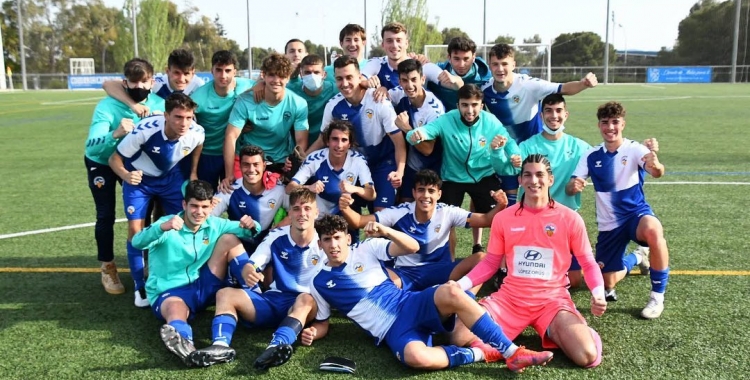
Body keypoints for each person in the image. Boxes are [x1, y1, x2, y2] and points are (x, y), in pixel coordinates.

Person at [274, 214, 553, 373]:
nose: (333, 245)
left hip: (410, 304)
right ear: (320, 245)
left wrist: (385, 230)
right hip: (391, 331)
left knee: (451, 291)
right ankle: (481, 355)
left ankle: (512, 351)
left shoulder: (367, 250)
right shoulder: (320, 282)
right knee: (416, 358)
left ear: (348, 238)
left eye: (338, 238)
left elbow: (412, 247)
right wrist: (313, 332)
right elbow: (323, 320)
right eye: (327, 240)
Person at [451, 154, 607, 368]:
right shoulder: (504, 218)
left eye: (540, 175)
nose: (534, 181)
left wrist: (598, 295)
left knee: (587, 356)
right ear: (520, 180)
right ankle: (508, 350)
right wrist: (460, 286)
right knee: (458, 336)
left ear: (550, 179)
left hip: (552, 302)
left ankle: (579, 329)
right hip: (511, 299)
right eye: (528, 175)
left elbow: (588, 263)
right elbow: (490, 263)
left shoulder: (570, 218)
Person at [186, 188, 327, 369]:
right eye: (297, 209)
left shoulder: (325, 242)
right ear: (290, 212)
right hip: (274, 300)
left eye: (307, 208)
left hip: (302, 308)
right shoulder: (276, 236)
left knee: (305, 298)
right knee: (225, 294)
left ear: (316, 212)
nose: (302, 214)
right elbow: (253, 264)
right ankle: (220, 346)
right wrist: (248, 271)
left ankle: (276, 347)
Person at [131, 180, 261, 366]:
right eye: (194, 206)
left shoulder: (214, 223)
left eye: (204, 207)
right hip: (171, 291)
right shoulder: (167, 224)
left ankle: (255, 295)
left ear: (211, 206)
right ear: (184, 204)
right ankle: (186, 346)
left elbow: (251, 231)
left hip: (203, 284)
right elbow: (137, 242)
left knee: (229, 239)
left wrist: (251, 224)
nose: (199, 212)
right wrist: (161, 228)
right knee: (176, 309)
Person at [567, 101, 670, 319]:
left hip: (635, 216)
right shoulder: (591, 155)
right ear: (599, 125)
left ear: (623, 124)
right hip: (609, 225)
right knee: (608, 281)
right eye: (605, 123)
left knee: (653, 229)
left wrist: (656, 162)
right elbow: (572, 184)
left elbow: (657, 172)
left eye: (615, 122)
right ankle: (638, 256)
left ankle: (657, 297)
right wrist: (574, 185)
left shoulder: (635, 149)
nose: (610, 127)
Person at [339, 169, 507, 292]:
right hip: (406, 273)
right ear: (414, 192)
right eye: (421, 190)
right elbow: (359, 221)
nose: (425, 196)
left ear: (439, 194)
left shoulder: (447, 211)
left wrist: (501, 205)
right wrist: (345, 208)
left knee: (481, 258)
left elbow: (486, 220)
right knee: (376, 282)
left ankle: (467, 298)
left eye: (431, 191)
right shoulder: (400, 212)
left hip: (441, 271)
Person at [108, 93, 205, 307]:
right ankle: (139, 285)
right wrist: (126, 175)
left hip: (170, 180)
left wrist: (194, 172)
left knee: (179, 226)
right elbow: (114, 159)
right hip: (139, 181)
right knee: (136, 232)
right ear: (166, 115)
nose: (184, 123)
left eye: (189, 118)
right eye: (178, 117)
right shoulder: (145, 130)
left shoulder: (197, 133)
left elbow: (198, 146)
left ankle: (173, 278)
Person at [406, 84, 520, 255]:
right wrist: (417, 134)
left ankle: (497, 261)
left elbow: (509, 141)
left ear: (481, 106)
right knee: (445, 220)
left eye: (474, 105)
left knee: (499, 219)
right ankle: (449, 261)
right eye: (465, 105)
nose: (470, 110)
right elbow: (428, 130)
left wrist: (515, 155)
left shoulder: (490, 121)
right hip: (452, 178)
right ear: (458, 105)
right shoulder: (447, 119)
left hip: (483, 176)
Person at [84, 58, 165, 295]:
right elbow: (93, 144)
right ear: (125, 82)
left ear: (152, 81)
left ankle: (147, 260)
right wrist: (116, 133)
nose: (139, 86)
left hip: (133, 165)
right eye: (133, 81)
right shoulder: (106, 107)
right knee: (105, 214)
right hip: (101, 162)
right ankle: (107, 265)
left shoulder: (159, 103)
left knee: (144, 213)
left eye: (144, 81)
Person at [307, 56, 406, 212]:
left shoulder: (378, 101)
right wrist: (302, 159)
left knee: (381, 216)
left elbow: (399, 142)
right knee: (345, 212)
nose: (344, 83)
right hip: (353, 165)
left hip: (382, 165)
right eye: (339, 79)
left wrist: (399, 172)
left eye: (349, 77)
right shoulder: (333, 105)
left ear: (360, 77)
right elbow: (322, 140)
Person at [220, 53, 309, 192]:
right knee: (240, 200)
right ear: (264, 75)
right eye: (272, 75)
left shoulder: (298, 103)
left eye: (281, 76)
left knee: (276, 206)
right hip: (247, 158)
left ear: (288, 78)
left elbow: (301, 141)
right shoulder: (245, 100)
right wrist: (228, 174)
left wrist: (292, 160)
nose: (276, 80)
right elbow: (231, 136)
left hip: (279, 160)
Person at [190, 50, 256, 187]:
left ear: (235, 72)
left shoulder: (247, 85)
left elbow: (267, 84)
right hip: (208, 154)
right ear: (212, 71)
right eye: (218, 70)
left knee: (234, 197)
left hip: (235, 152)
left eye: (228, 70)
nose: (223, 75)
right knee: (206, 198)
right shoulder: (198, 98)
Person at [211, 145, 289, 256]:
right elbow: (207, 218)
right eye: (246, 165)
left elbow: (298, 211)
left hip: (268, 245)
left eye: (256, 164)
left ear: (264, 166)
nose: (251, 170)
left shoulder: (279, 189)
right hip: (237, 246)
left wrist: (282, 224)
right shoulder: (229, 189)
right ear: (240, 166)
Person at [288, 119, 375, 216]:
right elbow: (289, 188)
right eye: (335, 139)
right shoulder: (315, 159)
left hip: (344, 215)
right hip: (317, 216)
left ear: (350, 144)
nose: (339, 145)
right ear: (327, 141)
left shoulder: (358, 160)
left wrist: (355, 189)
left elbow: (371, 194)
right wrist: (309, 187)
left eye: (344, 140)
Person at [388, 59, 445, 201]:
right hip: (410, 166)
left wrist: (406, 128)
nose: (410, 85)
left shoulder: (433, 110)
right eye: (405, 81)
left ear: (423, 79)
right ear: (400, 82)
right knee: (403, 206)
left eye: (414, 79)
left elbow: (427, 150)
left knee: (428, 210)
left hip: (433, 167)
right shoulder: (399, 93)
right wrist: (381, 90)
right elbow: (382, 96)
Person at [361, 22, 462, 93]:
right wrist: (366, 83)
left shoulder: (422, 65)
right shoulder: (376, 63)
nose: (395, 45)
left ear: (406, 44)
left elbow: (457, 86)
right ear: (382, 44)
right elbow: (359, 80)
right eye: (389, 41)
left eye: (399, 40)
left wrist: (455, 80)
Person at [103, 48, 205, 117]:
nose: (181, 79)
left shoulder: (199, 86)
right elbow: (108, 84)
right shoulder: (158, 82)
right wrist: (134, 105)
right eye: (177, 73)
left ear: (193, 73)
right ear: (167, 71)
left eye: (186, 74)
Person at [428, 36, 492, 112]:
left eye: (466, 59)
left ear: (473, 57)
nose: (461, 64)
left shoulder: (487, 75)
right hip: (447, 122)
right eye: (456, 59)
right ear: (449, 57)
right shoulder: (437, 72)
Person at [287, 54, 339, 146]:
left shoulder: (334, 90)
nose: (312, 76)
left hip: (325, 147)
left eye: (316, 72)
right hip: (297, 147)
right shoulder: (291, 90)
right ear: (301, 74)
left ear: (324, 74)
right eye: (307, 72)